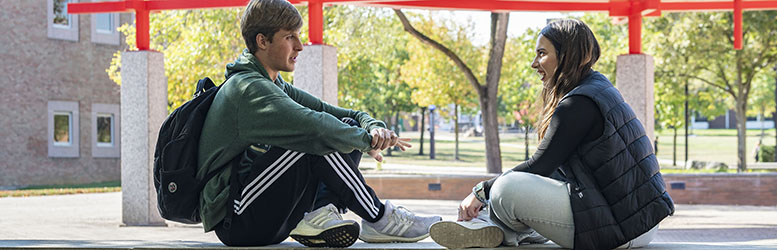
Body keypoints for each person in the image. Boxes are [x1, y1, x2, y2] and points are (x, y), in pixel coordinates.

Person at [197, 0, 440, 247]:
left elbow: (339, 114)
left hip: (266, 214)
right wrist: (366, 141)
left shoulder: (273, 84)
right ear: (262, 41)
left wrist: (373, 127)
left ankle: (321, 213)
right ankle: (379, 217)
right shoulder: (248, 88)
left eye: (299, 36)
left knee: (339, 125)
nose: (300, 46)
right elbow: (315, 127)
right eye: (290, 37)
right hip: (238, 220)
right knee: (313, 138)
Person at [428, 19, 674, 250]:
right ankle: (497, 229)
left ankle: (490, 225)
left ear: (567, 56)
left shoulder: (579, 103)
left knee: (506, 189)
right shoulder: (596, 88)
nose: (534, 63)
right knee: (516, 191)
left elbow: (540, 165)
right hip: (636, 222)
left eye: (542, 54)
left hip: (622, 229)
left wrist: (481, 191)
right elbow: (554, 170)